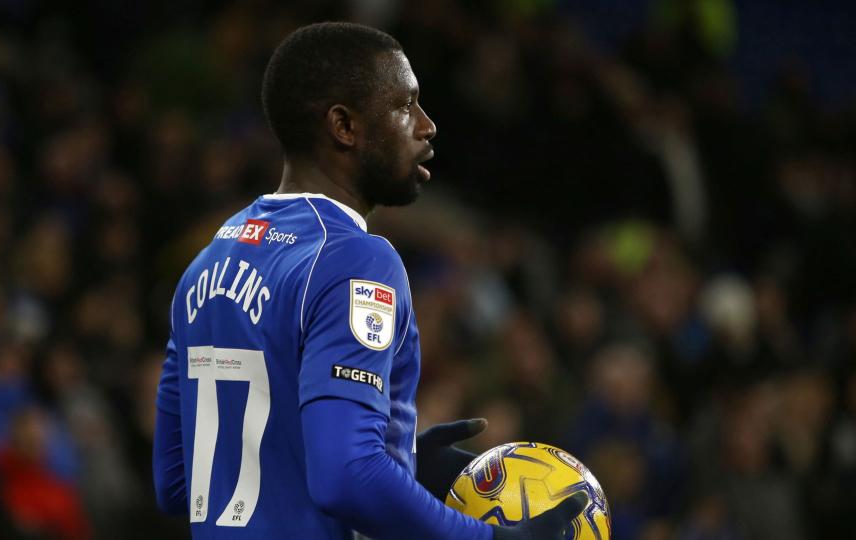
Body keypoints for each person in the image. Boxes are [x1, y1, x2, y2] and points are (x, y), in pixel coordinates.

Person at [152, 22, 587, 539]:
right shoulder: (354, 259)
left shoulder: (209, 262)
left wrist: (395, 456)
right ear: (344, 126)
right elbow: (347, 478)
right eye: (405, 106)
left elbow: (177, 481)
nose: (427, 126)